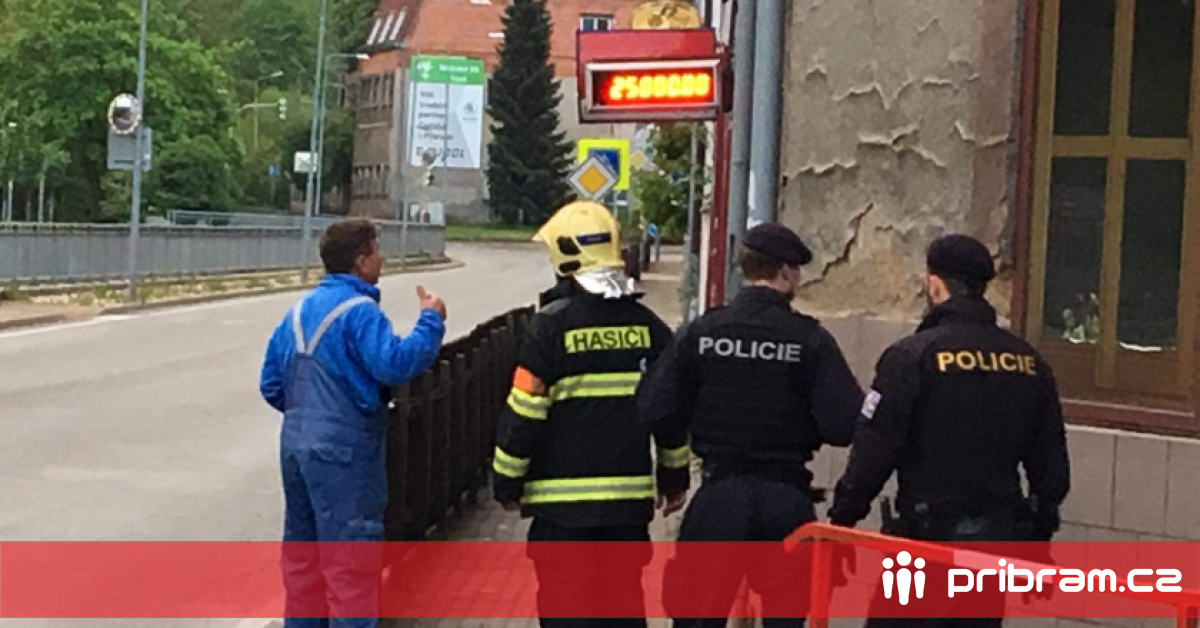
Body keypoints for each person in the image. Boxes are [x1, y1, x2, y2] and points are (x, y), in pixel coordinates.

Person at [828, 234, 1070, 628]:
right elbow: (1051, 467)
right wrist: (1038, 542)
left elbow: (875, 450)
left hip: (923, 542)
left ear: (935, 284)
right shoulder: (1029, 362)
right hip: (991, 547)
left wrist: (842, 520)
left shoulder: (912, 356)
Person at [637, 222, 864, 628]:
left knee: (696, 617)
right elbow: (844, 424)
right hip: (784, 498)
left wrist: (677, 464)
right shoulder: (809, 340)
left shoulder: (703, 331)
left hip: (719, 497)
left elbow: (656, 406)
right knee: (787, 618)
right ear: (786, 273)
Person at [491, 201, 690, 628]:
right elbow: (670, 416)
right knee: (622, 609)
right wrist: (674, 479)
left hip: (560, 514)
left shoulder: (549, 330)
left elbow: (523, 416)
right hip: (626, 511)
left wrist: (506, 482)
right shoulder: (650, 328)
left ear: (565, 255)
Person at [259, 219, 447, 628]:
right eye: (377, 250)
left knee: (304, 560)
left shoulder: (297, 313)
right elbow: (394, 363)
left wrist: (308, 414)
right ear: (361, 261)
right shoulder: (360, 312)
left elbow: (270, 384)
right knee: (350, 563)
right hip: (344, 450)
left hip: (295, 446)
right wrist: (430, 321)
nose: (381, 258)